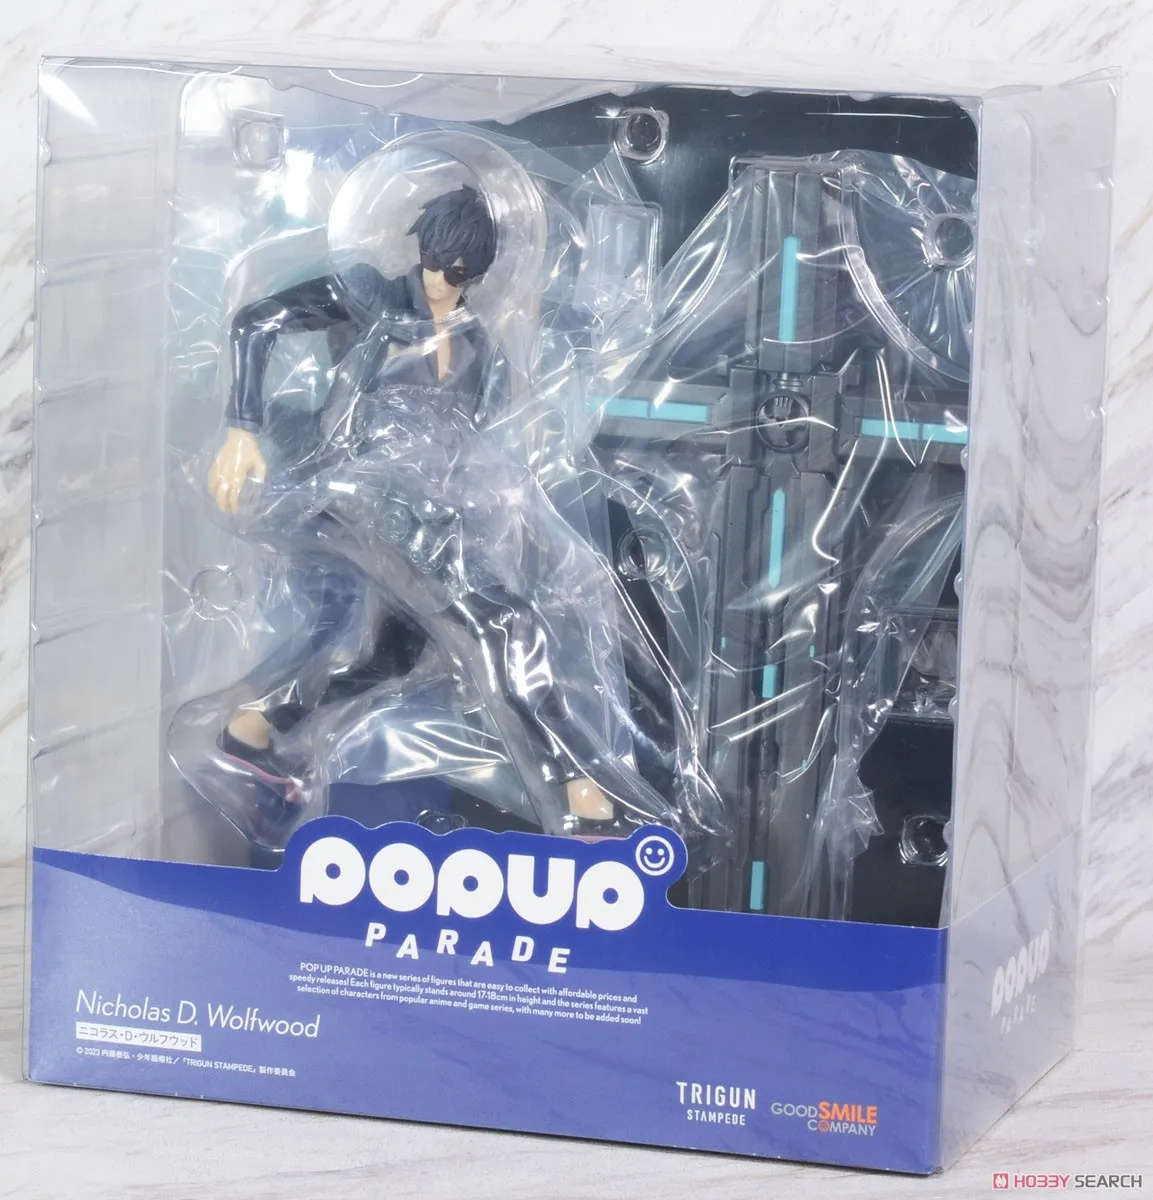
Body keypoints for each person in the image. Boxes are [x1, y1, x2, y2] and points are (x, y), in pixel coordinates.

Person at [205, 184, 618, 835]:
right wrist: (241, 430)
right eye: (435, 262)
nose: (441, 281)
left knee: (392, 658)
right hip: (364, 497)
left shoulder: (475, 335)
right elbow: (255, 321)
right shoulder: (371, 295)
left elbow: (473, 436)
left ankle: (253, 728)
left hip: (437, 512)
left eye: (460, 272)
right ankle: (577, 783)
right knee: (505, 625)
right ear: (420, 249)